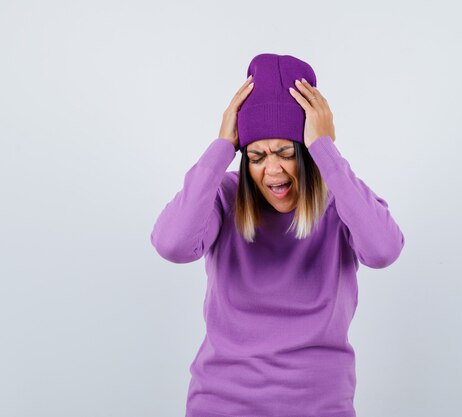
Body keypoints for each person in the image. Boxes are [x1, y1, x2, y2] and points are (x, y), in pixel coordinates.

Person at [149, 53, 405, 417]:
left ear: (307, 153)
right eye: (256, 156)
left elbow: (383, 251)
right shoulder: (224, 196)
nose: (272, 170)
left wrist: (326, 150)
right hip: (222, 404)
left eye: (286, 152)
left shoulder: (342, 202)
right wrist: (221, 147)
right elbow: (171, 245)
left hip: (320, 407)